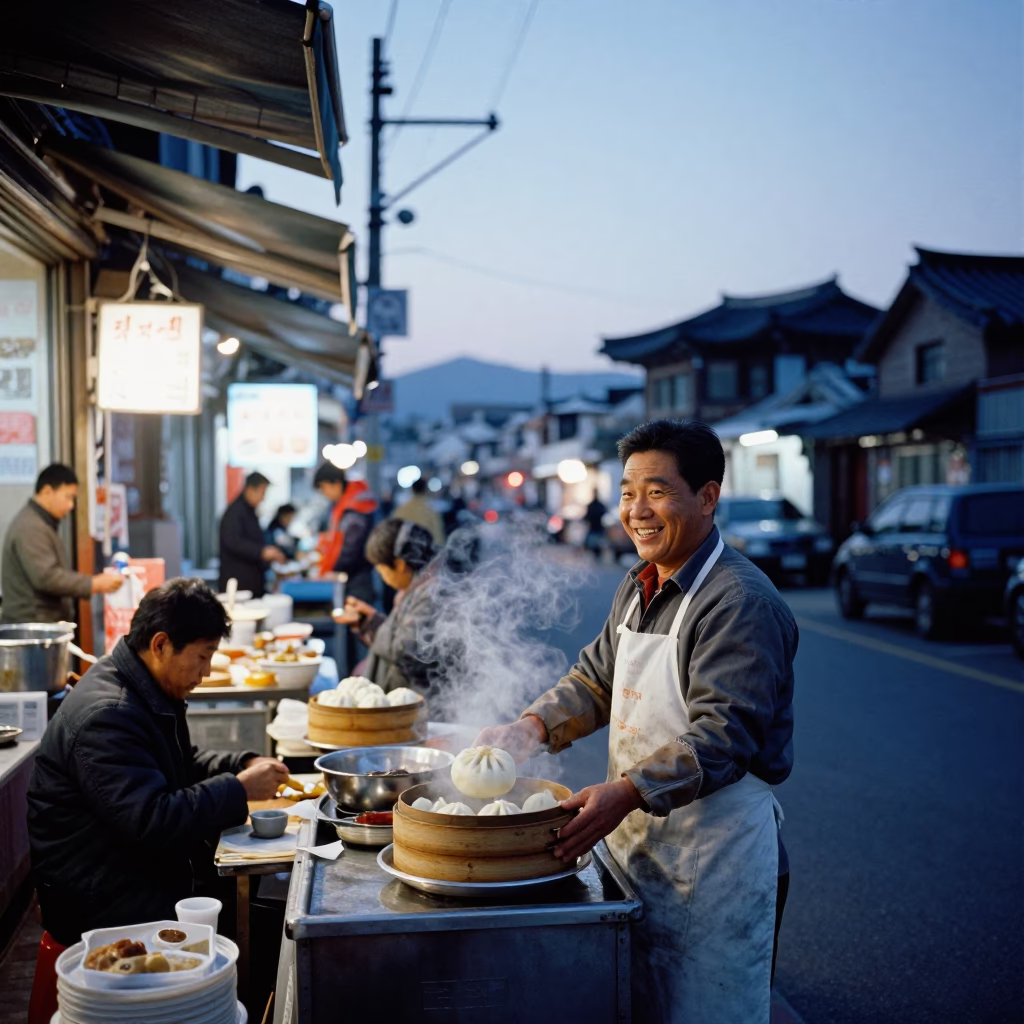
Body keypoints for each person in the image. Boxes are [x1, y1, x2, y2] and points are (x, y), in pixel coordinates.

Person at [475, 419, 797, 1024]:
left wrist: (625, 792)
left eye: (657, 491)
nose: (636, 510)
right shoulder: (640, 584)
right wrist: (531, 728)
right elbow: (596, 677)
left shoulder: (739, 602)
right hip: (639, 846)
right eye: (627, 492)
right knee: (636, 1004)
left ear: (707, 496)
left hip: (716, 855)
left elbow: (722, 739)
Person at [27, 578, 288, 944]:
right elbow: (152, 820)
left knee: (269, 897)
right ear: (161, 645)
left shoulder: (143, 686)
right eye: (202, 656)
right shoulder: (108, 714)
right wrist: (238, 789)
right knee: (261, 926)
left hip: (132, 871)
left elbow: (179, 765)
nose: (207, 671)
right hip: (100, 900)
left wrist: (241, 763)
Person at [0, 463, 122, 624]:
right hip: (32, 629)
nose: (71, 505)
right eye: (68, 497)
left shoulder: (40, 523)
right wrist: (94, 584)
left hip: (39, 625)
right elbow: (47, 577)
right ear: (47, 492)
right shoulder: (31, 527)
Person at [331, 519, 439, 698]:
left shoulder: (432, 593)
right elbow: (402, 636)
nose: (382, 577)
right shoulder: (418, 586)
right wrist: (369, 620)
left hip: (420, 704)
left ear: (399, 565)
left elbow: (406, 650)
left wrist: (373, 624)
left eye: (381, 570)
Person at [312, 463, 378, 604]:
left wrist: (334, 570)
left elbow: (351, 549)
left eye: (324, 489)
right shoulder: (345, 503)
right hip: (353, 575)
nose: (324, 494)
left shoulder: (354, 508)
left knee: (358, 617)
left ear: (335, 484)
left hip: (358, 578)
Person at [218, 471, 285, 598]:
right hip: (239, 585)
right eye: (262, 492)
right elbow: (233, 542)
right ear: (250, 489)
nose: (263, 498)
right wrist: (261, 552)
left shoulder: (249, 511)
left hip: (252, 581)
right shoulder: (235, 512)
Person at [393, 477, 445, 545]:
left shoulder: (401, 510)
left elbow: (394, 531)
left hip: (406, 550)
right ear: (425, 490)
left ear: (412, 490)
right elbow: (438, 536)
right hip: (425, 549)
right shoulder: (430, 511)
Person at [583, 489, 609, 561]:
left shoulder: (593, 505)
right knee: (594, 544)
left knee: (595, 544)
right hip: (596, 528)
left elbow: (587, 517)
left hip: (596, 528)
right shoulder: (598, 505)